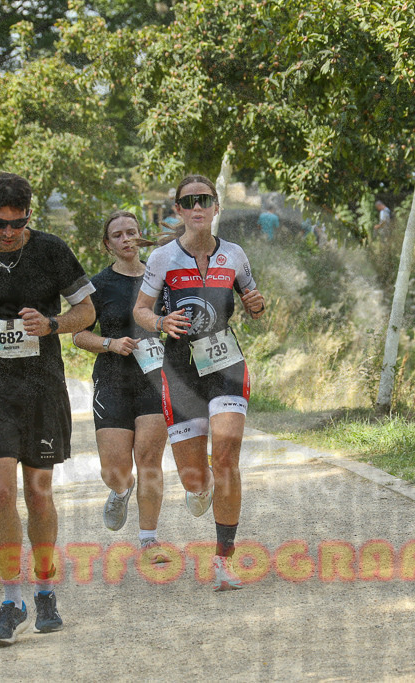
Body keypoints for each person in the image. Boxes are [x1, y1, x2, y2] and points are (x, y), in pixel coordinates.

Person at [0, 172, 95, 646]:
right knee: (2, 491)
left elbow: (87, 311)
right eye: (0, 223)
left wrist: (51, 323)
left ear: (30, 214)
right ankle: (11, 600)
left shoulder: (50, 250)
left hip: (42, 387)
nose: (9, 233)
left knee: (38, 493)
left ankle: (45, 587)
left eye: (18, 223)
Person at [133, 174, 266, 591]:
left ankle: (223, 560)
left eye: (204, 200)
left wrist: (257, 304)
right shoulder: (162, 259)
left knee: (225, 456)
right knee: (195, 478)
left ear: (215, 207)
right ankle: (199, 487)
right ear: (178, 210)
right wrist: (158, 321)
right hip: (180, 369)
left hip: (225, 360)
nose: (197, 207)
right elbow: (140, 309)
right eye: (188, 201)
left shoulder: (235, 255)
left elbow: (252, 298)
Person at [73, 211, 170, 564]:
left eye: (132, 232)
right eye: (118, 235)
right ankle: (120, 491)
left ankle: (149, 540)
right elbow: (78, 335)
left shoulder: (162, 280)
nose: (126, 239)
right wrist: (110, 344)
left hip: (155, 380)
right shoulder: (98, 286)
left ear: (140, 236)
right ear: (107, 244)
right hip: (113, 379)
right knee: (115, 470)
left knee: (149, 460)